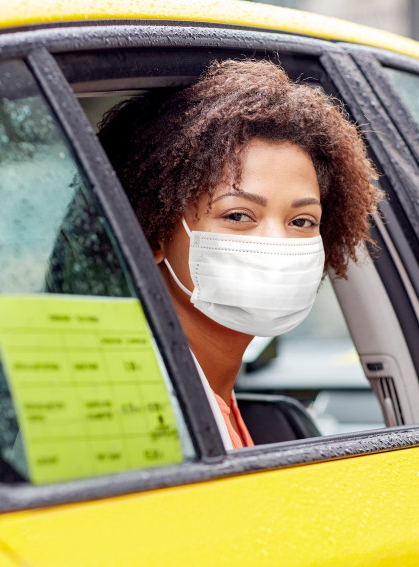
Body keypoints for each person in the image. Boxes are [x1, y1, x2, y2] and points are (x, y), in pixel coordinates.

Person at [99, 59, 381, 448]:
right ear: (153, 236)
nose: (276, 242)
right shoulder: (139, 416)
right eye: (238, 215)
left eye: (301, 221)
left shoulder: (209, 400)